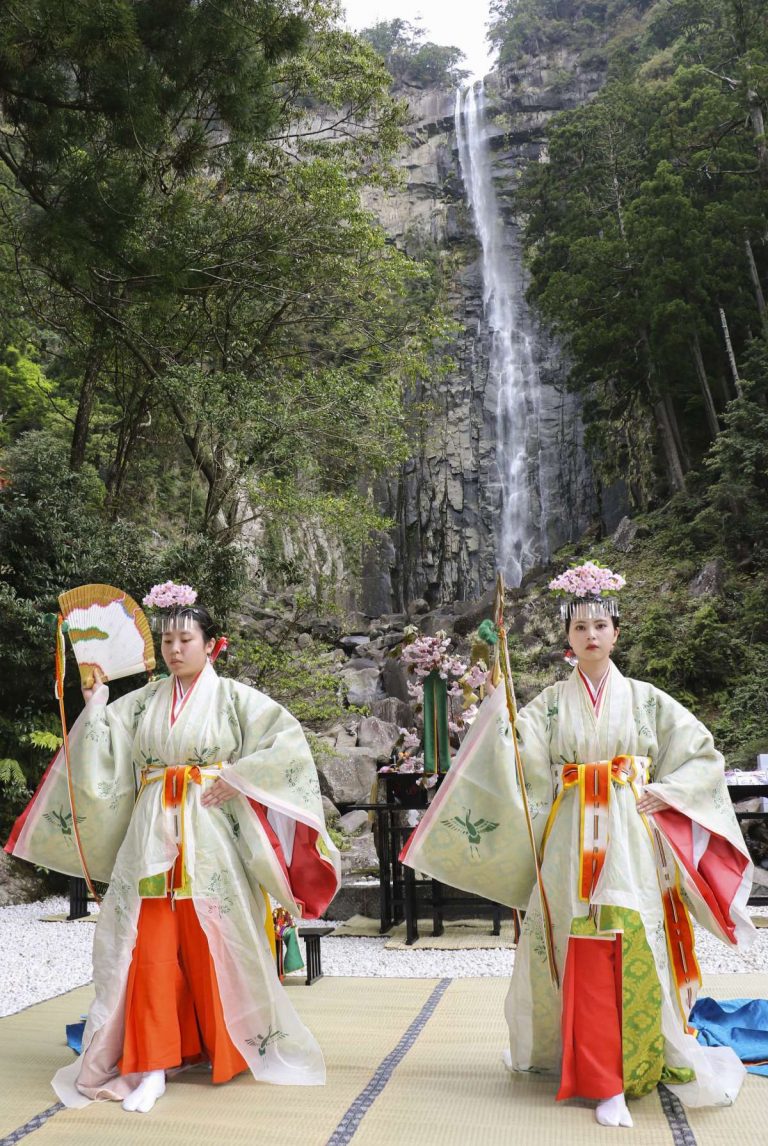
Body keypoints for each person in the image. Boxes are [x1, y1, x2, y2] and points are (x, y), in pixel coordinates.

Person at [400, 562, 755, 1127]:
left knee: (631, 936)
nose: (591, 636)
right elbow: (519, 764)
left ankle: (636, 1062)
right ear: (567, 638)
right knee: (578, 942)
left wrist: (664, 790)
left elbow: (702, 755)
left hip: (631, 833)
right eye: (580, 628)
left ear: (617, 632)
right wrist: (499, 710)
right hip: (569, 835)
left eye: (601, 626)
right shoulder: (547, 704)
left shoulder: (645, 700)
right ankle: (595, 1072)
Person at [6, 582, 340, 1112]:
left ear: (212, 645)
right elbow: (110, 747)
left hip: (209, 830)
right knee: (149, 949)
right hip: (152, 832)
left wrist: (242, 775)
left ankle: (221, 1048)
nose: (175, 650)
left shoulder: (233, 698)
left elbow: (287, 740)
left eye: (186, 639)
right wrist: (95, 706)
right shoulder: (145, 702)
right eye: (166, 642)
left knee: (218, 941)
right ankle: (154, 1062)